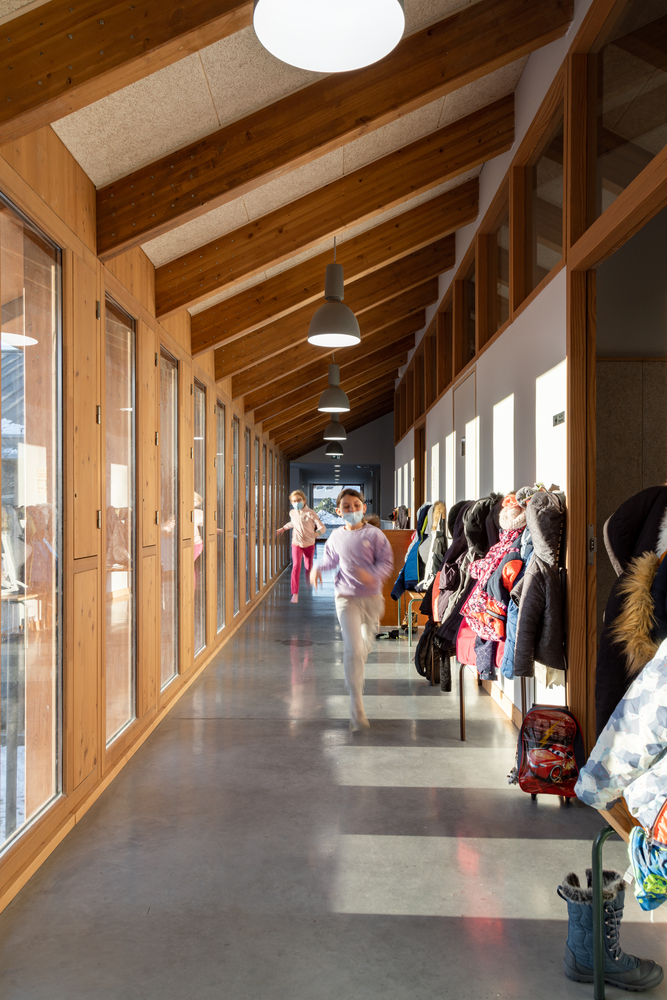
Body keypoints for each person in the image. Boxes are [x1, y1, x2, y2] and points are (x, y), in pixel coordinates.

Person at [310, 488, 393, 730]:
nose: (352, 510)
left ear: (363, 507)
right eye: (346, 506)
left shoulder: (375, 535)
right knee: (353, 650)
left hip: (372, 599)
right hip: (345, 598)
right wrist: (317, 568)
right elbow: (330, 560)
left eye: (356, 505)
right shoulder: (336, 536)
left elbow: (386, 563)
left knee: (365, 645)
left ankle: (359, 657)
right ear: (339, 511)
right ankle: (356, 707)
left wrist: (371, 575)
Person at [277, 490, 325, 603]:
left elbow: (322, 527)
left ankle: (309, 580)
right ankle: (294, 593)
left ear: (304, 500)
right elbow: (293, 523)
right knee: (296, 566)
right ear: (291, 502)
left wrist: (317, 533)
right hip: (297, 544)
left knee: (308, 567)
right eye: (294, 501)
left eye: (298, 500)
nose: (296, 503)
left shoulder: (311, 513)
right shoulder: (292, 512)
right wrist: (283, 528)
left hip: (309, 545)